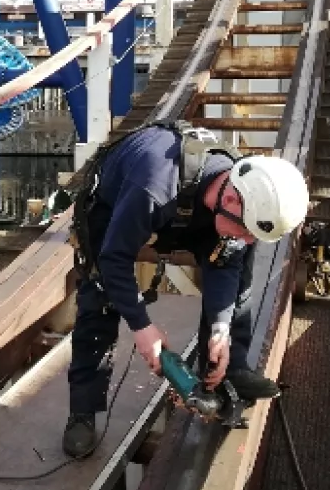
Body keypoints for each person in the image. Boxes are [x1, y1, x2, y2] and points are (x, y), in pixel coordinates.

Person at [62, 121, 310, 458]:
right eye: (245, 230)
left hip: (198, 210)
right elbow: (114, 259)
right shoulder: (153, 184)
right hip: (117, 203)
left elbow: (225, 264)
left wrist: (221, 326)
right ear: (231, 199)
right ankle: (83, 410)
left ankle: (228, 369)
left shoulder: (239, 197)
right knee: (100, 293)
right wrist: (142, 326)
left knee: (236, 266)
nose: (247, 239)